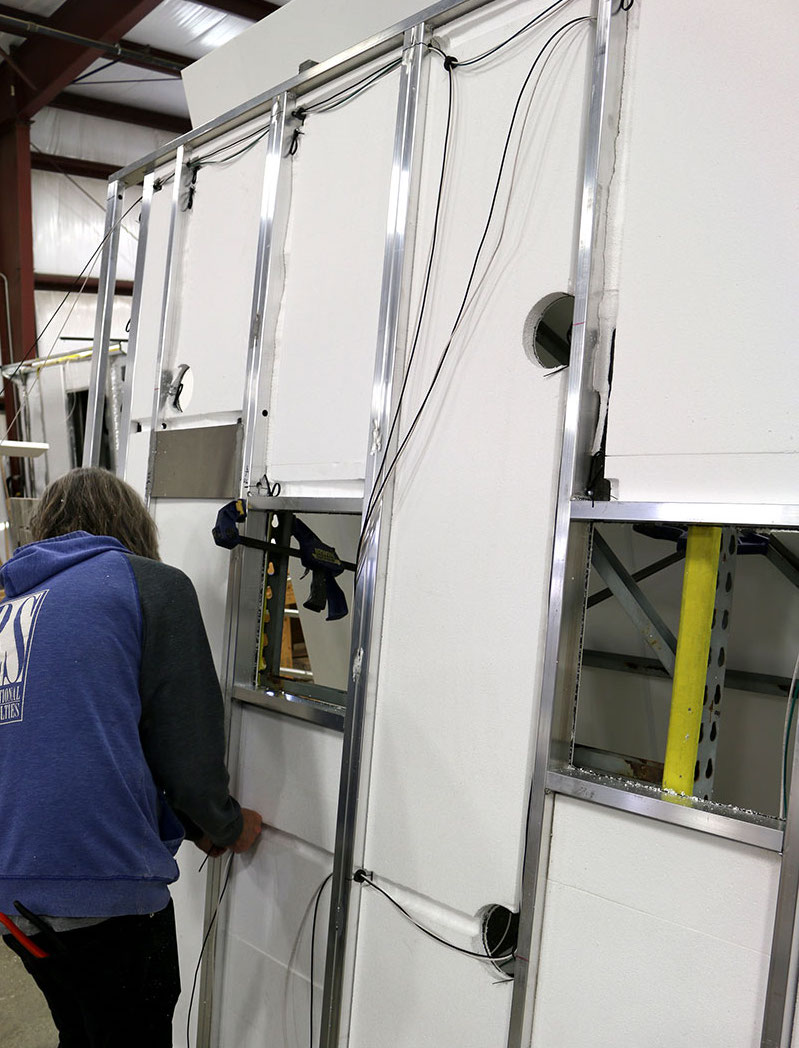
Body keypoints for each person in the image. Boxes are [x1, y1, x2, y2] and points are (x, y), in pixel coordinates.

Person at [0, 466, 262, 1047]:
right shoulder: (150, 585)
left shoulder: (11, 611)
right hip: (101, 885)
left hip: (13, 895)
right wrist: (220, 823)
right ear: (131, 525)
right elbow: (186, 742)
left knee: (81, 1031)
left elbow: (73, 737)